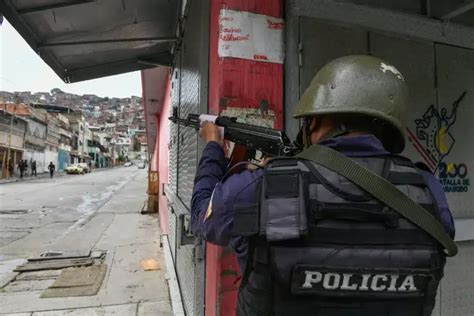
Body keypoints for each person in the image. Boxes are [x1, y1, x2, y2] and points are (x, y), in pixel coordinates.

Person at [191, 55, 455, 316]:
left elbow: (203, 219)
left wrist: (214, 146)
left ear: (316, 120)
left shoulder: (263, 185)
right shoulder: (427, 189)